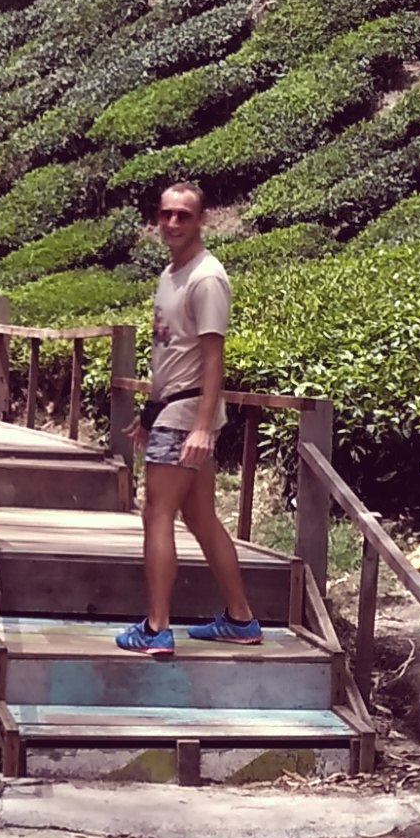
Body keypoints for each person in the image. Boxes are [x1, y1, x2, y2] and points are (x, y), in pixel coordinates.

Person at [115, 181, 260, 658]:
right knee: (198, 516)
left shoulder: (206, 278)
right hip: (172, 409)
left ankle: (156, 627)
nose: (173, 223)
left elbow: (213, 358)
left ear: (202, 220)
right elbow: (172, 355)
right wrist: (149, 413)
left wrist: (200, 426)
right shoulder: (171, 273)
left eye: (184, 215)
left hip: (186, 416)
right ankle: (240, 618)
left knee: (156, 514)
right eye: (166, 214)